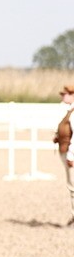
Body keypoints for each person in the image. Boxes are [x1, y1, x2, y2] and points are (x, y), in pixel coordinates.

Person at [55, 83, 74, 225]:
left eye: (66, 93)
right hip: (66, 149)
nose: (63, 96)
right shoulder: (70, 111)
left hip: (70, 153)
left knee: (73, 186)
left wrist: (71, 155)